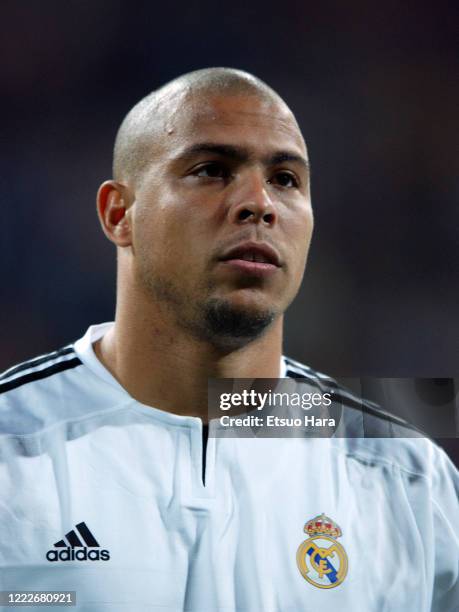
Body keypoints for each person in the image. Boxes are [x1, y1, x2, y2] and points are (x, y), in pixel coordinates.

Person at [0, 68, 457, 612]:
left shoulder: (407, 478)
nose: (258, 203)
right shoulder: (13, 444)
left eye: (286, 179)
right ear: (119, 213)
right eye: (211, 170)